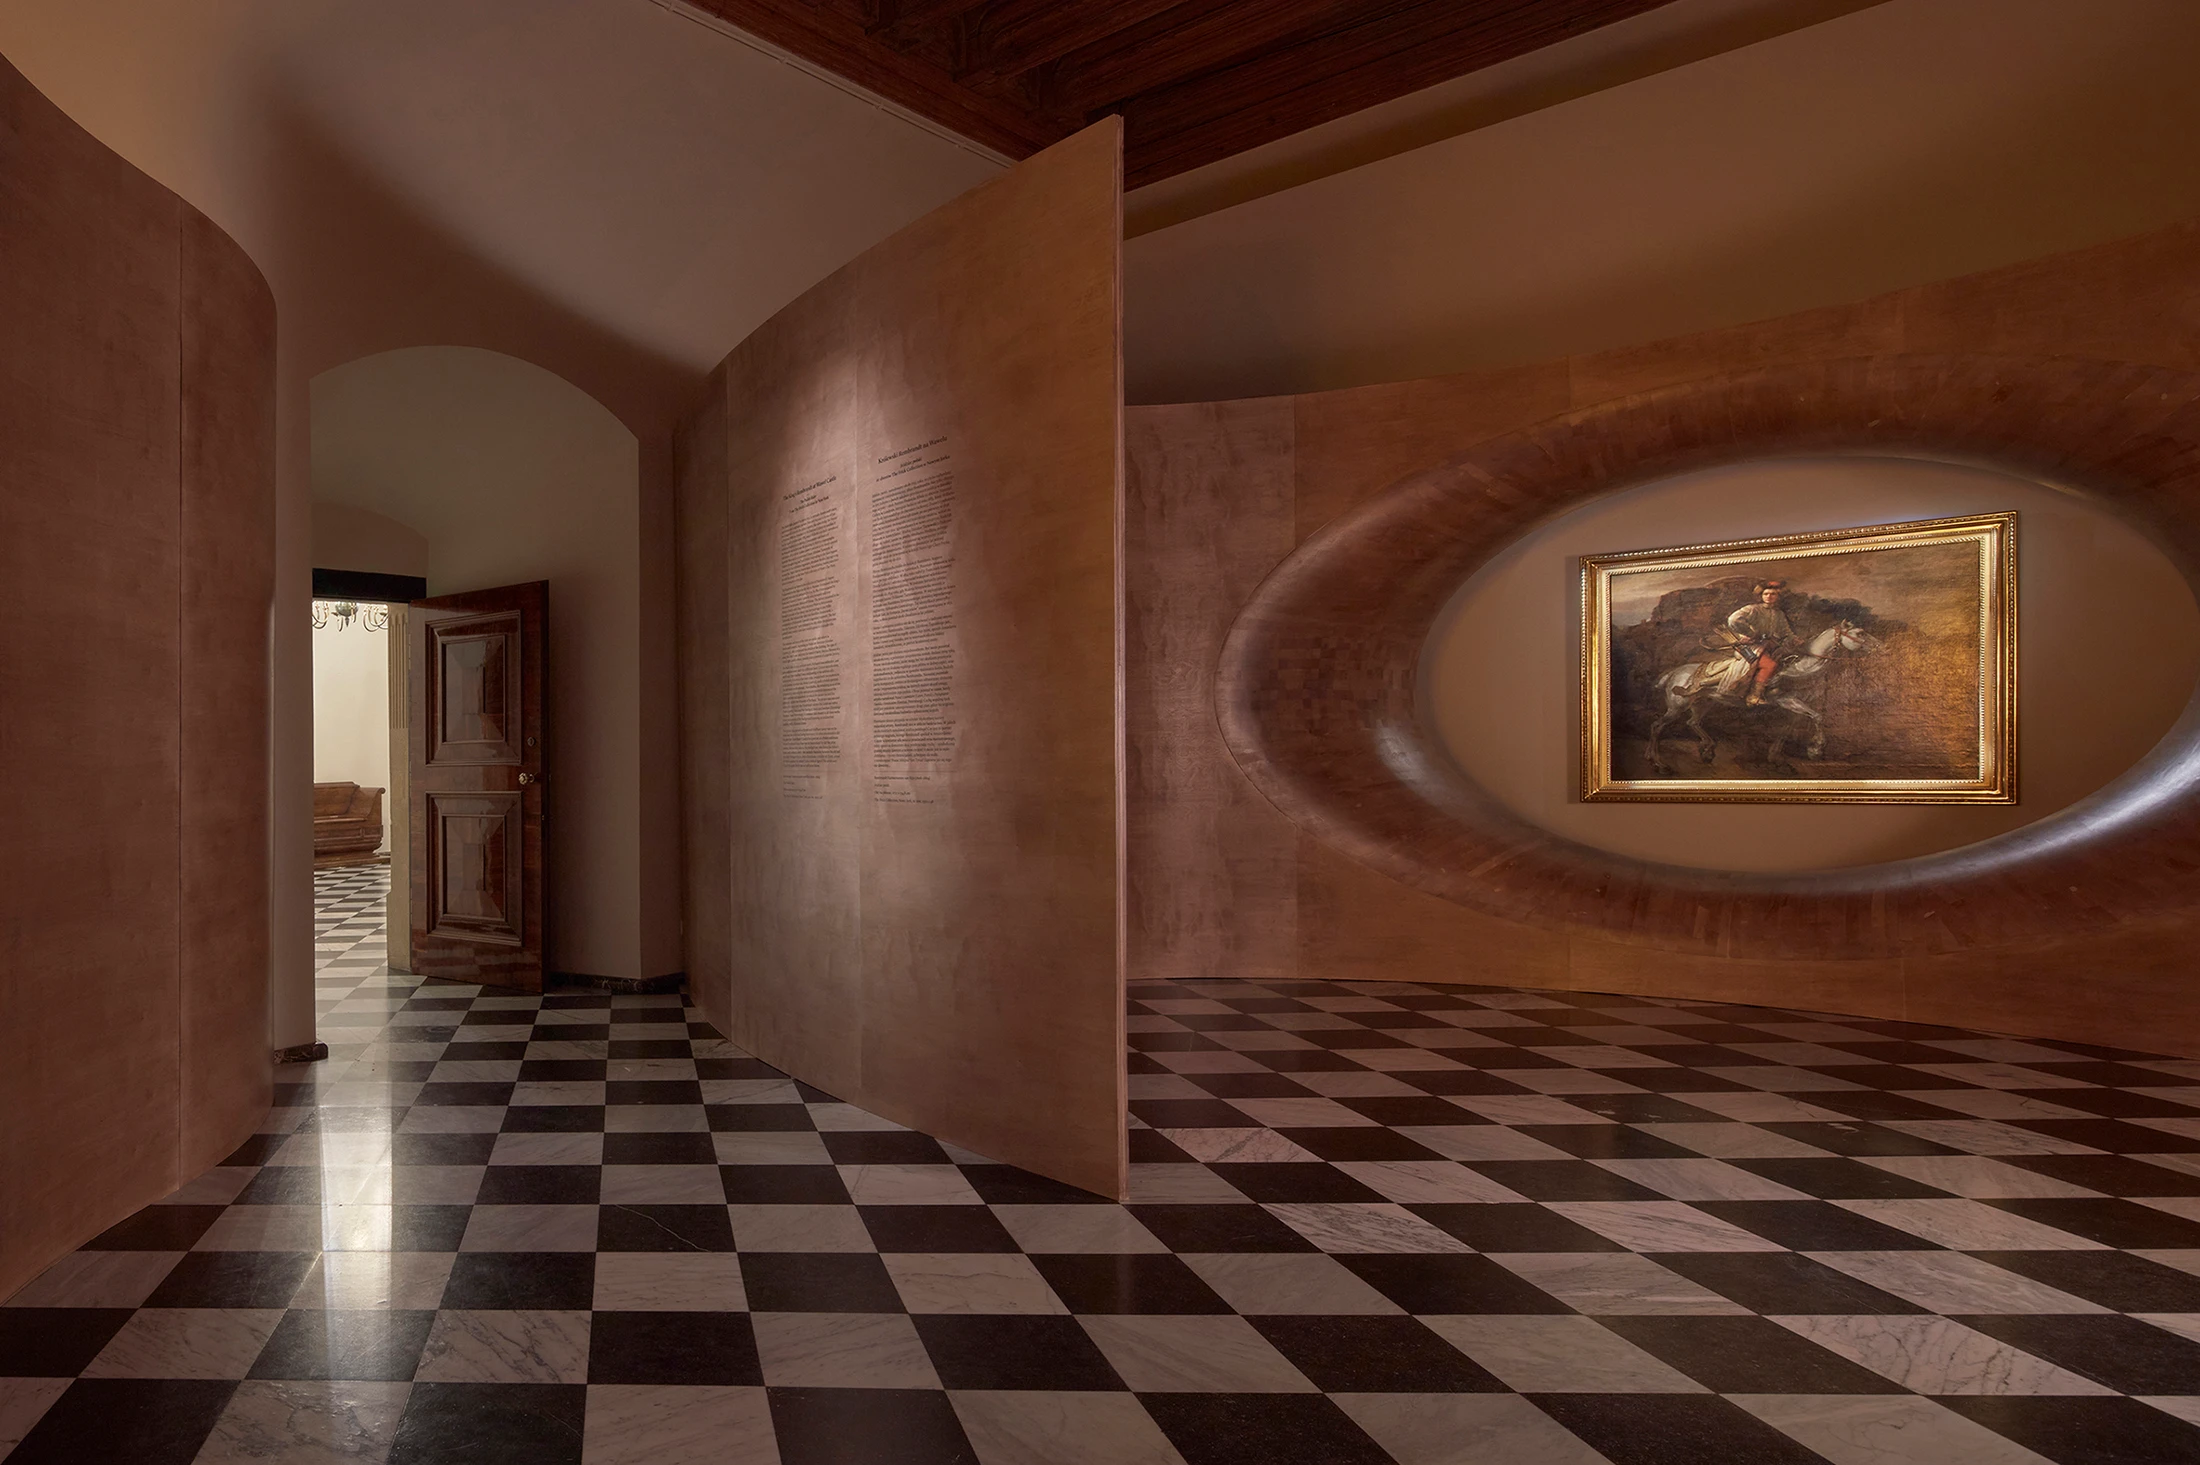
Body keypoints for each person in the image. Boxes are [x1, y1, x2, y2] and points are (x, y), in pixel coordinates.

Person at [1726, 579, 1796, 706]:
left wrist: (1794, 638)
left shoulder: (1779, 614)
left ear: (1778, 596)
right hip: (1751, 647)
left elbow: (1786, 631)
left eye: (1773, 594)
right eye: (1766, 594)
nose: (1769, 596)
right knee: (1770, 666)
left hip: (1770, 646)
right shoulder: (1753, 609)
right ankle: (1753, 696)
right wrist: (1751, 634)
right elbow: (1733, 620)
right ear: (1761, 596)